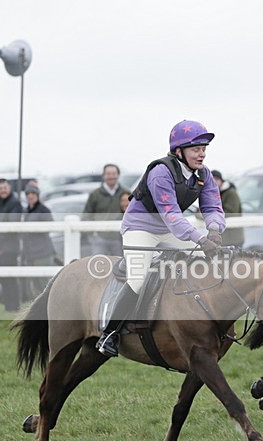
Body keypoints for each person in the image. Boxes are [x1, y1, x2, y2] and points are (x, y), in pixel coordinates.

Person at [96, 119, 226, 356]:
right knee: (138, 279)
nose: (202, 154)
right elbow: (173, 217)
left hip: (169, 229)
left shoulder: (203, 174)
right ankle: (110, 334)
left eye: (204, 149)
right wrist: (201, 239)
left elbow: (213, 207)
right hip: (140, 228)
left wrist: (215, 231)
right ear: (179, 151)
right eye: (196, 149)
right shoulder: (161, 173)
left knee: (206, 263)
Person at [0, 178, 23, 312]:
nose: (3, 190)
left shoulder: (14, 204)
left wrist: (0, 248)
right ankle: (8, 307)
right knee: (3, 280)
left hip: (8, 249)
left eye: (5, 187)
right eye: (0, 188)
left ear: (9, 188)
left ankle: (14, 307)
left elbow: (11, 226)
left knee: (10, 279)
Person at [82, 163, 130, 257]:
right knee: (97, 265)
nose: (111, 176)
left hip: (119, 239)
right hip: (100, 238)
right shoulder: (95, 194)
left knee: (119, 265)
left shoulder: (126, 193)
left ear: (118, 175)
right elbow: (86, 216)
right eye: (108, 174)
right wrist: (93, 234)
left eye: (114, 173)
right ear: (104, 176)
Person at [21, 181, 57, 298]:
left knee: (44, 284)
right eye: (28, 193)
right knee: (34, 285)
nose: (30, 196)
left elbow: (49, 227)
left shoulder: (43, 210)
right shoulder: (26, 211)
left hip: (42, 253)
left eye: (32, 193)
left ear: (37, 194)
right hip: (30, 253)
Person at [211, 170, 244, 247]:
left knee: (236, 258)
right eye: (212, 180)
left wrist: (211, 215)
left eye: (216, 179)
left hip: (233, 238)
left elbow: (230, 212)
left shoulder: (231, 193)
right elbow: (201, 211)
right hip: (220, 239)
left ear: (221, 181)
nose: (214, 182)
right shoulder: (210, 194)